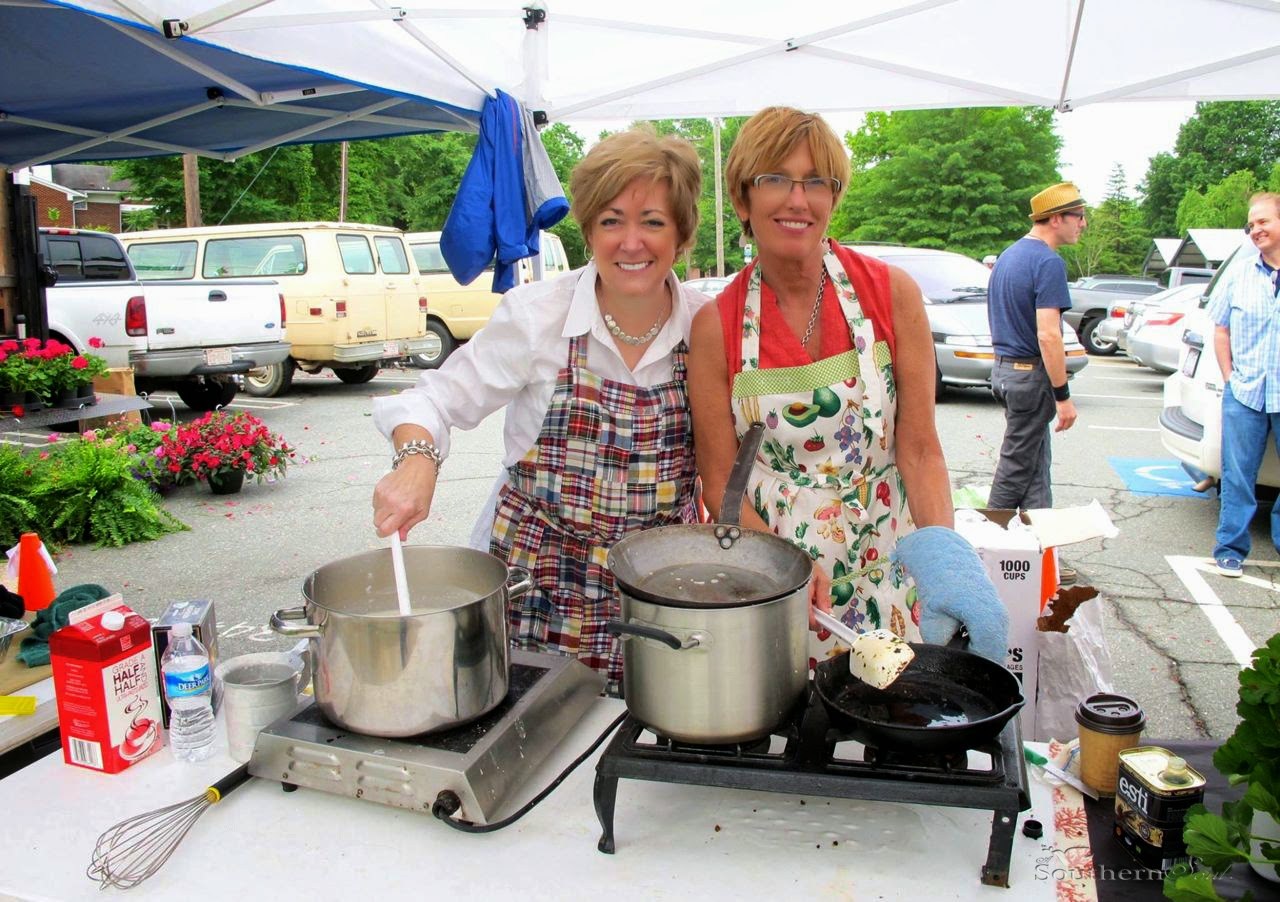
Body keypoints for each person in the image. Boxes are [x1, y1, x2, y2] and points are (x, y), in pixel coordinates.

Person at [372, 128, 708, 692]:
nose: (631, 242)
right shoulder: (536, 317)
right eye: (610, 221)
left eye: (652, 221)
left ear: (681, 232)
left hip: (655, 598)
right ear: (587, 231)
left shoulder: (708, 327)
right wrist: (417, 460)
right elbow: (430, 398)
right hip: (538, 589)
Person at [687, 106, 959, 646]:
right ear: (743, 198)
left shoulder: (891, 293)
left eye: (816, 181)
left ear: (833, 197)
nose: (798, 199)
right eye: (775, 179)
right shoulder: (716, 326)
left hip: (892, 570)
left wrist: (948, 565)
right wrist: (782, 570)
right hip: (777, 582)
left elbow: (921, 451)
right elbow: (720, 485)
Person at [986, 183, 1085, 511]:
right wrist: (1063, 397)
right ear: (1056, 219)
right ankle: (985, 544)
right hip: (1029, 376)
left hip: (1004, 371)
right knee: (1014, 468)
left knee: (1035, 463)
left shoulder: (1009, 256)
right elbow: (1049, 335)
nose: (1082, 224)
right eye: (1079, 216)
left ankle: (1039, 545)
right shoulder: (1048, 262)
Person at [1207, 192, 1280, 578]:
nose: (1255, 230)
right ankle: (1230, 548)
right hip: (1246, 391)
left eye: (1263, 222)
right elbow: (1220, 328)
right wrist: (1230, 377)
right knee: (1237, 476)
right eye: (1251, 225)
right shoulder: (1240, 273)